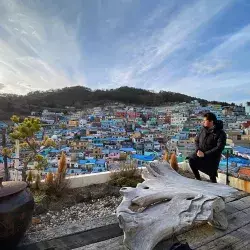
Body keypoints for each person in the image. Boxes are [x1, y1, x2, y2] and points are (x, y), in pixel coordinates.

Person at [189, 112, 226, 183]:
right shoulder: (203, 130)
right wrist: (198, 150)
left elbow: (219, 148)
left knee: (211, 175)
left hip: (212, 158)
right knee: (191, 160)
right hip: (200, 154)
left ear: (211, 121)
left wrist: (205, 154)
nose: (203, 122)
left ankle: (214, 186)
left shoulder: (220, 133)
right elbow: (196, 140)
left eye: (205, 120)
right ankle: (198, 179)